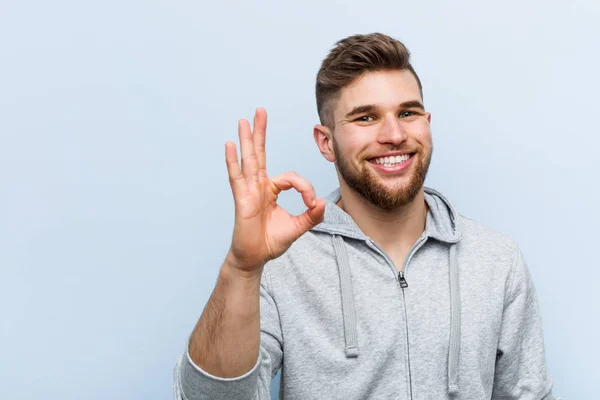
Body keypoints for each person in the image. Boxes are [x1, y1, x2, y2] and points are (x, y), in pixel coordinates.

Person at [173, 32, 557, 399]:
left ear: (427, 124)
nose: (393, 134)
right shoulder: (281, 266)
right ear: (326, 142)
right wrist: (241, 269)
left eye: (407, 112)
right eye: (365, 118)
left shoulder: (495, 260)